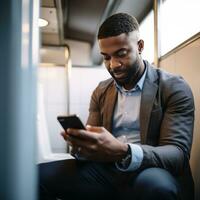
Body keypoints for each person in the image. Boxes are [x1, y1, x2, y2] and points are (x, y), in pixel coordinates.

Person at [39, 13, 195, 200]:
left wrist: (124, 151)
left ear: (139, 46)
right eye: (106, 57)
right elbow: (92, 141)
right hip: (108, 170)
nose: (113, 65)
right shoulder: (102, 90)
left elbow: (177, 154)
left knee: (156, 188)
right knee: (36, 176)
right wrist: (82, 146)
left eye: (121, 54)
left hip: (151, 170)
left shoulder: (173, 87)